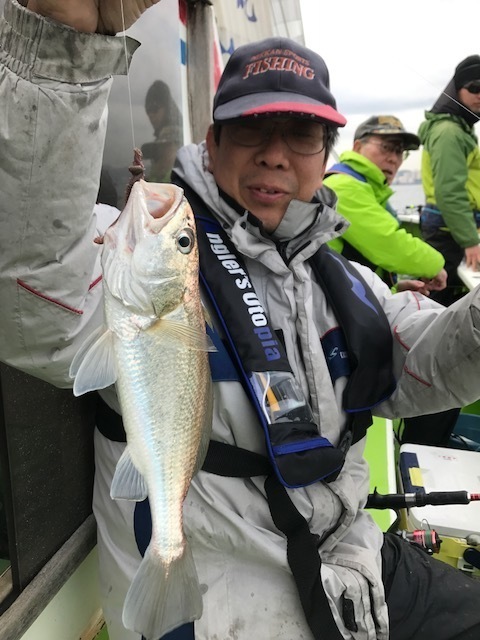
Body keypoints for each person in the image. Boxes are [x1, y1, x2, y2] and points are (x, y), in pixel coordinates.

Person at [2, 3, 480, 640]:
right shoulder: (139, 244)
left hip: (358, 569)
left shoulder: (351, 285)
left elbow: (435, 363)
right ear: (214, 141)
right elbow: (36, 295)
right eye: (253, 128)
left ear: (324, 154)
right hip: (223, 596)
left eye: (302, 134)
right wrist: (65, 44)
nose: (275, 156)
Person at [324, 115, 447, 295]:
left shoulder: (364, 189)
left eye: (399, 151)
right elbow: (388, 242)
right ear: (357, 147)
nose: (394, 159)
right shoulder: (343, 187)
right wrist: (436, 265)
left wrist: (393, 290)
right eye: (386, 147)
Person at [418, 55, 480, 306]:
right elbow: (449, 192)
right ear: (457, 90)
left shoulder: (459, 129)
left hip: (451, 231)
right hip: (450, 237)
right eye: (474, 88)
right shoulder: (449, 132)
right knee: (443, 307)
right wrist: (470, 241)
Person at [141, 80, 183, 182]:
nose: (151, 115)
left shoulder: (173, 135)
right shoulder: (171, 133)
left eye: (154, 108)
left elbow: (165, 175)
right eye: (148, 110)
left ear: (167, 107)